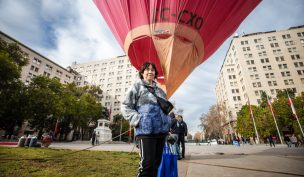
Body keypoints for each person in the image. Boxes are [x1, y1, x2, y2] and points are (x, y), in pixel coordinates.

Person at [121, 62, 171, 177]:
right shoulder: (137, 86)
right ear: (142, 73)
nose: (150, 72)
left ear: (155, 73)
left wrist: (167, 126)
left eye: (153, 70)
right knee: (147, 165)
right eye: (147, 69)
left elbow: (165, 111)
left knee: (156, 164)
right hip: (145, 131)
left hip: (161, 132)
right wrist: (138, 120)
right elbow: (125, 106)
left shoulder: (160, 91)